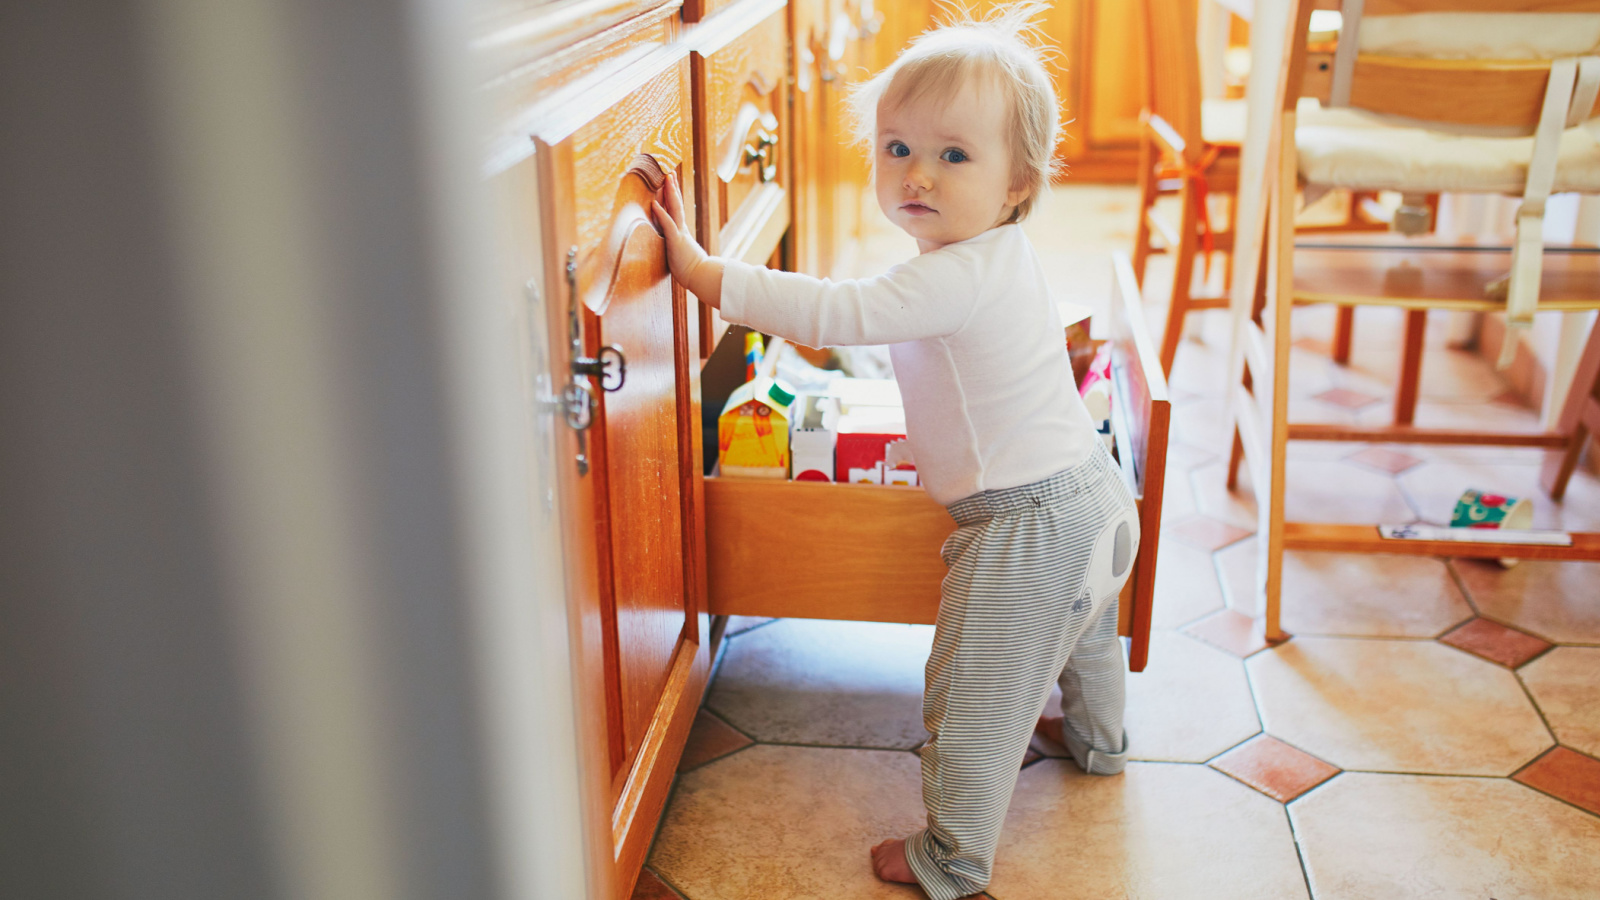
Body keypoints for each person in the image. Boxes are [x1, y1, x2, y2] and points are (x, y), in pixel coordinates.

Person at [651, 3, 1139, 897]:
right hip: (1097, 499)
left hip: (1024, 530)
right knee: (1087, 635)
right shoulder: (1002, 254)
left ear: (1019, 182)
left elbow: (842, 310)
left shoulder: (945, 275)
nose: (917, 173)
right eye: (896, 148)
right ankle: (1099, 742)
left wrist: (701, 272)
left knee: (974, 703)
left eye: (954, 155)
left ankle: (951, 857)